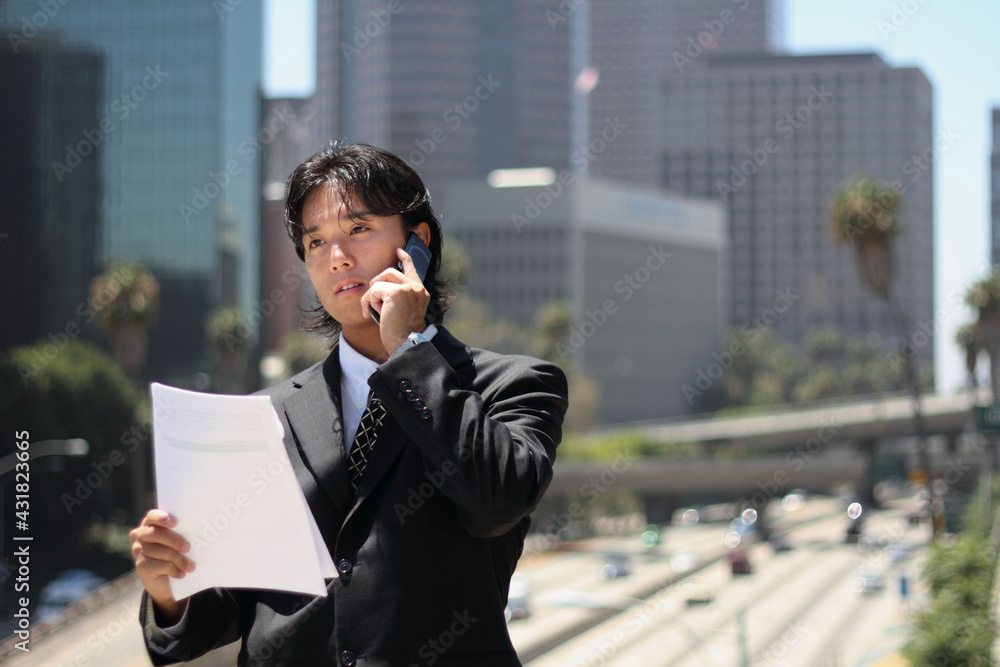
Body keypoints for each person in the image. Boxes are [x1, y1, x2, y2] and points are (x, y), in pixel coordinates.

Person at [129, 142, 568, 666]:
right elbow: (235, 605)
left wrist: (409, 352)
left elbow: (496, 501)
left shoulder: (513, 384)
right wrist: (167, 589)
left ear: (416, 243)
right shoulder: (264, 414)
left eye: (359, 229)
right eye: (315, 242)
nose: (336, 257)